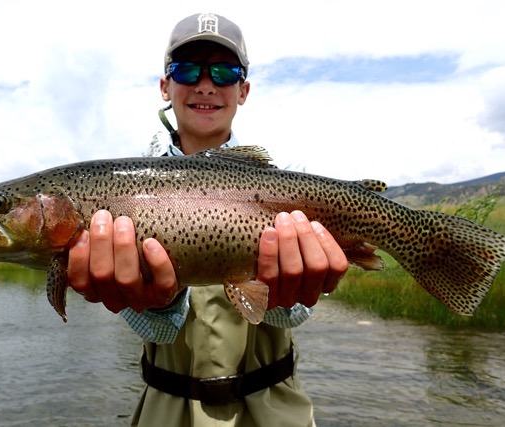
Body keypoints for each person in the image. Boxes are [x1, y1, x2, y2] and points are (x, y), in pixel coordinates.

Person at [67, 13, 348, 426]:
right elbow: (158, 333)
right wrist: (155, 304)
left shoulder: (287, 181)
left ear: (243, 90)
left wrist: (288, 294)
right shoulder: (121, 193)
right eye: (187, 70)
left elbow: (293, 315)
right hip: (167, 408)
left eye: (223, 71)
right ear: (165, 86)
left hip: (272, 408)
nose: (205, 84)